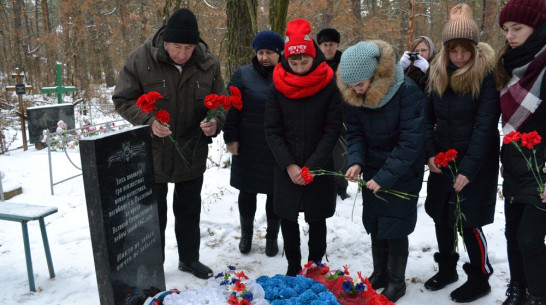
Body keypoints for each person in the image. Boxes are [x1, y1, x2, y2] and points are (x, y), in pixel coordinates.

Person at [112, 8, 227, 279]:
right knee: (154, 214)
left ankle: (189, 259)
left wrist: (215, 122)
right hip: (154, 152)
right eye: (177, 47)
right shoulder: (141, 59)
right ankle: (154, 265)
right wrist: (148, 121)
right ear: (166, 41)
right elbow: (123, 99)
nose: (183, 54)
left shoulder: (208, 63)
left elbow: (222, 101)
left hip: (191, 150)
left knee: (189, 210)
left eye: (188, 47)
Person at [337, 40, 426, 303]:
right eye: (351, 87)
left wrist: (384, 176)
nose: (357, 91)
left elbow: (411, 142)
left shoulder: (407, 92)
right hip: (373, 169)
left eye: (361, 85)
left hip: (402, 171)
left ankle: (397, 281)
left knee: (395, 225)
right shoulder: (355, 96)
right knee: (376, 221)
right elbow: (355, 133)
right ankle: (380, 272)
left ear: (375, 76)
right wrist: (355, 161)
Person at [423, 3, 499, 303]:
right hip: (444, 157)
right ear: (445, 50)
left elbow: (485, 126)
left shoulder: (486, 76)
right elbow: (426, 118)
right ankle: (447, 268)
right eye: (453, 50)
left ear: (474, 49)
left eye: (465, 50)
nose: (459, 56)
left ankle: (480, 276)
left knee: (468, 219)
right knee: (442, 215)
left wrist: (468, 169)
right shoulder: (437, 73)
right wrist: (430, 154)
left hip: (476, 159)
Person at [264, 18, 342, 276]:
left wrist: (312, 166)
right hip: (286, 163)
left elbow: (332, 129)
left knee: (316, 217)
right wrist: (289, 164)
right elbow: (272, 129)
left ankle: (316, 264)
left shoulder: (328, 82)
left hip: (317, 162)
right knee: (288, 216)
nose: (298, 68)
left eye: (304, 62)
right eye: (294, 63)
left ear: (314, 58)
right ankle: (293, 264)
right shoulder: (277, 84)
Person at [496, 0, 546, 304]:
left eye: (518, 28)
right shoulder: (509, 65)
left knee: (530, 240)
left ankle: (540, 294)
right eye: (505, 29)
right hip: (514, 161)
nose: (510, 35)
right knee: (512, 235)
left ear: (537, 26)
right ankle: (518, 288)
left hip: (541, 168)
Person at [223, 30, 284, 257]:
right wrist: (230, 137)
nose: (264, 57)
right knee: (247, 192)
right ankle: (246, 235)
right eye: (260, 52)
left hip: (277, 146)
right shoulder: (242, 75)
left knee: (274, 193)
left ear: (280, 53)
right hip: (248, 144)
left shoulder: (288, 74)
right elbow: (230, 108)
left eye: (270, 52)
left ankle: (271, 237)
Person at [317, 27, 349, 201]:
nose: (328, 48)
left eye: (331, 44)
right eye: (324, 44)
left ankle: (341, 187)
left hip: (342, 115)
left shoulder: (346, 64)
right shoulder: (314, 64)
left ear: (337, 45)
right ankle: (323, 185)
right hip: (319, 116)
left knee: (341, 154)